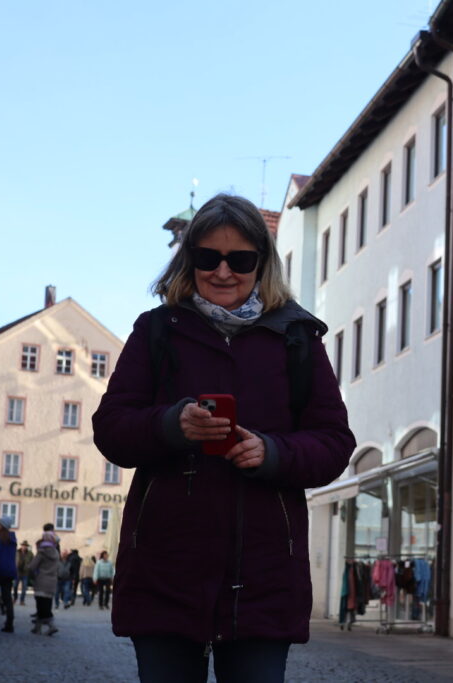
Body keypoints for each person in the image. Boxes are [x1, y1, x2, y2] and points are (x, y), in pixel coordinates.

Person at [92, 193, 355, 683]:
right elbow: (110, 429)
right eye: (208, 257)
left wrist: (273, 452)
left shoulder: (297, 338)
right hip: (166, 570)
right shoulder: (156, 331)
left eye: (240, 260)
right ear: (189, 259)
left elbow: (334, 442)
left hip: (264, 576)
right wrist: (172, 426)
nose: (223, 272)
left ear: (262, 262)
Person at [27, 531, 60, 636]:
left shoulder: (42, 552)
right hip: (52, 582)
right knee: (46, 604)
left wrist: (30, 572)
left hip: (41, 581)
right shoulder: (56, 552)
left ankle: (52, 625)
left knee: (41, 606)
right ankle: (37, 628)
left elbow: (32, 566)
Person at [14, 540, 33, 605]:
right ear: (21, 546)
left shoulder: (30, 553)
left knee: (24, 588)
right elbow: (13, 560)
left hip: (25, 573)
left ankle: (22, 600)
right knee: (15, 586)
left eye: (25, 546)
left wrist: (29, 567)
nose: (24, 547)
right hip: (17, 572)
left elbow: (33, 562)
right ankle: (15, 598)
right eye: (23, 545)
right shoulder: (17, 552)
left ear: (27, 546)